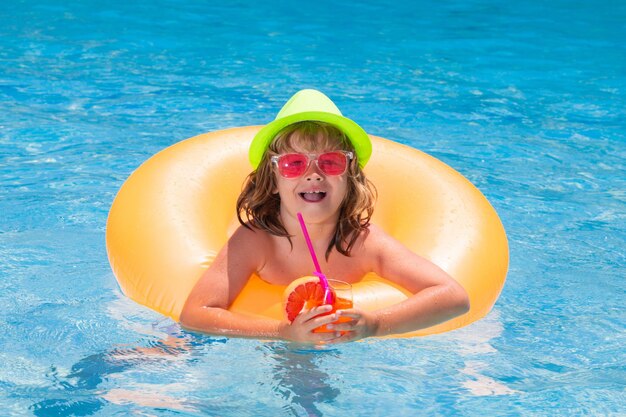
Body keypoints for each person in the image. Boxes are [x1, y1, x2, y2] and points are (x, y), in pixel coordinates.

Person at [180, 89, 469, 343]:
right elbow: (196, 314)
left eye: (331, 162)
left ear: (350, 176)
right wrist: (282, 332)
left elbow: (453, 296)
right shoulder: (257, 240)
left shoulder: (361, 240)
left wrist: (376, 325)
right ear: (273, 179)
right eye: (294, 164)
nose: (313, 175)